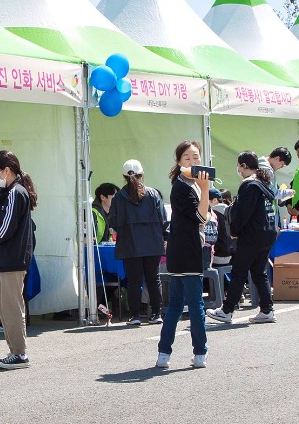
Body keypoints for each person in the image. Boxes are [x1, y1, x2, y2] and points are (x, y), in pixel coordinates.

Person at [0, 150, 37, 369]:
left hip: (13, 259)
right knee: (6, 307)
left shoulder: (15, 192)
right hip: (5, 258)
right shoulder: (9, 192)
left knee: (11, 307)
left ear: (7, 170)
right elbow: (1, 227)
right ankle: (15, 351)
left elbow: (5, 229)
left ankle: (19, 353)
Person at [156, 142, 211, 368]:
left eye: (196, 157)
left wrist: (203, 189)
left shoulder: (190, 184)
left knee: (177, 304)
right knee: (194, 302)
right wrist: (206, 189)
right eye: (187, 158)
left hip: (182, 248)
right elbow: (201, 218)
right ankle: (199, 353)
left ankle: (163, 354)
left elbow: (204, 218)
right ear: (179, 161)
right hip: (186, 250)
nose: (192, 161)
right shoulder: (183, 187)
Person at [210, 151, 277, 326]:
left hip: (252, 235)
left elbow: (243, 213)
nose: (238, 169)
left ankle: (226, 310)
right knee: (258, 272)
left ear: (244, 166)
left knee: (239, 272)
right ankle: (267, 309)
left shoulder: (249, 185)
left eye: (239, 166)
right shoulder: (264, 183)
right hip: (267, 233)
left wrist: (234, 231)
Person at [111, 159, 165, 326]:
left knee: (134, 280)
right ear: (142, 174)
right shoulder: (153, 194)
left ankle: (134, 315)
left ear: (124, 176)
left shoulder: (119, 197)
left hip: (130, 244)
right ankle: (156, 313)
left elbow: (113, 221)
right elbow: (163, 218)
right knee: (153, 279)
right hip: (153, 243)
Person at [91, 182, 119, 319]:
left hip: (107, 253)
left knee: (119, 276)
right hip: (94, 256)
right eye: (113, 196)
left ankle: (102, 305)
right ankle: (99, 305)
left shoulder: (113, 213)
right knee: (112, 276)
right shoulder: (93, 212)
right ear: (103, 197)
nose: (116, 199)